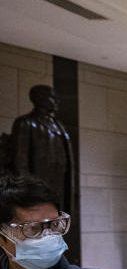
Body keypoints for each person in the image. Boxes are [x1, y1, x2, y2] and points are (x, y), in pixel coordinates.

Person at [9, 86, 75, 225]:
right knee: (39, 227)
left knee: (56, 225)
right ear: (39, 99)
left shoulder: (59, 126)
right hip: (39, 186)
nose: (56, 100)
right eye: (52, 97)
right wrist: (28, 194)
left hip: (59, 185)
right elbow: (20, 162)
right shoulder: (26, 123)